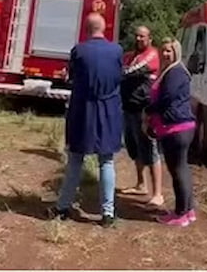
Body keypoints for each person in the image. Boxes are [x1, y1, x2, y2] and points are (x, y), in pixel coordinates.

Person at [50, 13, 123, 227]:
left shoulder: (79, 50)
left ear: (86, 28)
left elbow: (72, 77)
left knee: (75, 160)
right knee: (106, 161)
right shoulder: (117, 51)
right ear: (104, 28)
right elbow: (119, 76)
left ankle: (63, 207)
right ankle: (108, 213)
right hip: (108, 110)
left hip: (83, 110)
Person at [144, 38, 196, 227]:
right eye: (163, 51)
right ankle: (188, 210)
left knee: (178, 170)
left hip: (176, 128)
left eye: (169, 51)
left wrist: (149, 111)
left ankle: (181, 213)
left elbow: (167, 98)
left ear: (176, 52)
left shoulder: (175, 72)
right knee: (182, 168)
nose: (166, 54)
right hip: (178, 127)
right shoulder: (173, 71)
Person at [120, 25, 164, 207]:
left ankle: (158, 193)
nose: (138, 39)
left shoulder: (152, 54)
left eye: (142, 36)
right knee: (133, 147)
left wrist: (120, 71)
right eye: (137, 36)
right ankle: (141, 184)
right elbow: (122, 67)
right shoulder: (129, 55)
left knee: (150, 149)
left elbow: (131, 71)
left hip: (144, 110)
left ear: (150, 38)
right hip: (128, 107)